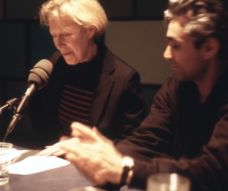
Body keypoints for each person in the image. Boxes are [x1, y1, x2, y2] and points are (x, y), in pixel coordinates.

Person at [58, 0, 228, 190]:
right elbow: (147, 140)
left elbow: (212, 172)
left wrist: (125, 170)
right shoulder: (176, 87)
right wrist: (105, 157)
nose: (166, 54)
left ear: (209, 48)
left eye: (176, 45)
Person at [28, 0, 146, 146]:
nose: (58, 44)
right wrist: (58, 142)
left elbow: (134, 143)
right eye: (54, 35)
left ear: (90, 31)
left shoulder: (124, 79)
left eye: (66, 34)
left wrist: (88, 148)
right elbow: (42, 118)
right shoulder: (56, 62)